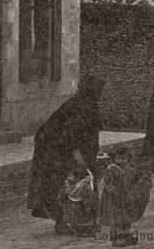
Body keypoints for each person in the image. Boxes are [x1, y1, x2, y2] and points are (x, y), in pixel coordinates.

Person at [27, 75, 104, 233]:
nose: (100, 94)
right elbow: (71, 137)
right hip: (54, 150)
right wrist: (80, 159)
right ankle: (64, 222)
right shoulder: (79, 107)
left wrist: (94, 153)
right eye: (97, 90)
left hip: (64, 148)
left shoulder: (89, 105)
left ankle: (84, 221)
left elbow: (89, 135)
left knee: (83, 180)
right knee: (64, 184)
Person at [98, 145, 152, 247]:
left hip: (126, 198)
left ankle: (126, 235)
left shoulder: (129, 169)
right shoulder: (112, 168)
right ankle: (116, 239)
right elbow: (108, 183)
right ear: (114, 158)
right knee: (117, 218)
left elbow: (135, 179)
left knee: (127, 216)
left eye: (123, 159)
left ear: (128, 159)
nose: (121, 161)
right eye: (118, 158)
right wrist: (114, 193)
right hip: (114, 199)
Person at [56, 162, 97, 237]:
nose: (68, 177)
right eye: (69, 175)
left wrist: (88, 205)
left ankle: (86, 230)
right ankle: (76, 228)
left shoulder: (83, 187)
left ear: (78, 179)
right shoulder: (67, 185)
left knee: (83, 218)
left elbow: (89, 197)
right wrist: (62, 198)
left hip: (81, 206)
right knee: (74, 218)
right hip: (71, 206)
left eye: (71, 176)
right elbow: (62, 195)